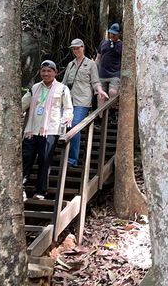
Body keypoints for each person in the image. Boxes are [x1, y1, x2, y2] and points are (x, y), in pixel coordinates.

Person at [21, 60, 73, 201]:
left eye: (49, 71)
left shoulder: (62, 89)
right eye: (43, 71)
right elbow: (22, 104)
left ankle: (40, 191)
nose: (46, 73)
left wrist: (67, 117)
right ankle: (21, 189)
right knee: (26, 159)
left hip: (50, 130)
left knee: (45, 161)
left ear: (55, 72)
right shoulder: (35, 88)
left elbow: (68, 108)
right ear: (40, 72)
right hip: (32, 130)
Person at [62, 39, 108, 167]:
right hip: (68, 99)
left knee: (75, 125)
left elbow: (95, 81)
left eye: (78, 48)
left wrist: (100, 91)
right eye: (73, 48)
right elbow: (64, 82)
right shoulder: (70, 64)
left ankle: (72, 159)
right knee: (61, 124)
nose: (76, 50)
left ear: (83, 47)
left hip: (82, 99)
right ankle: (61, 154)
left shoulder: (90, 64)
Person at [95, 23, 122, 107]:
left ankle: (113, 112)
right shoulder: (103, 43)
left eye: (114, 33)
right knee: (100, 96)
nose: (112, 35)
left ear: (119, 33)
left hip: (114, 74)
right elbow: (98, 57)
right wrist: (94, 71)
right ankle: (100, 117)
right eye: (111, 33)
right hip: (102, 74)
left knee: (113, 92)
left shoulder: (122, 45)